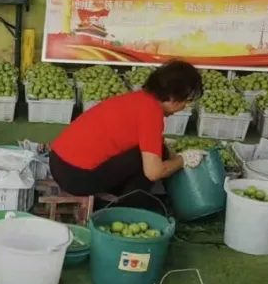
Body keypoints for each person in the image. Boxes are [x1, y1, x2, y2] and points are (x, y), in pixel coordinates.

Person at [49, 60, 208, 201]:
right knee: (152, 158)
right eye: (186, 101)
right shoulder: (151, 112)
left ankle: (118, 193)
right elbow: (153, 172)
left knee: (159, 150)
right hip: (76, 176)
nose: (184, 107)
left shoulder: (139, 99)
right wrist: (182, 160)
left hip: (58, 162)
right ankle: (130, 206)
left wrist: (174, 157)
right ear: (173, 97)